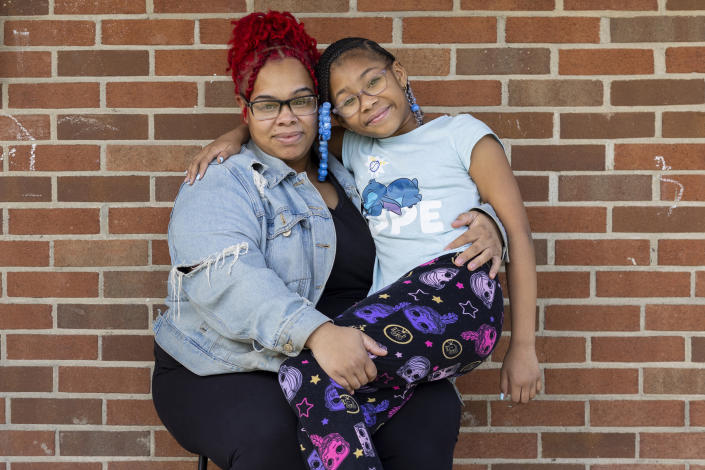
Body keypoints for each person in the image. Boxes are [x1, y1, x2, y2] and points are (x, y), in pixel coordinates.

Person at [153, 11, 509, 470]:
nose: (286, 118)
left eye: (299, 101)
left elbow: (422, 210)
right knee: (275, 435)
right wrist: (318, 333)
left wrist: (488, 220)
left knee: (431, 413)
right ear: (245, 108)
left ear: (320, 108)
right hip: (229, 363)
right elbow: (225, 278)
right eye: (266, 105)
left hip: (344, 351)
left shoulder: (349, 169)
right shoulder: (223, 180)